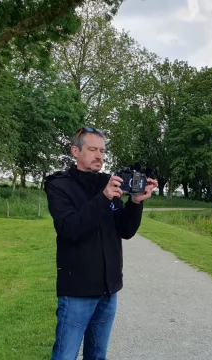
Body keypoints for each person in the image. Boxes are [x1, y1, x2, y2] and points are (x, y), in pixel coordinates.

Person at [44, 126, 158, 360]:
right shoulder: (59, 185)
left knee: (97, 356)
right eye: (93, 149)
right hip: (77, 290)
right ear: (75, 151)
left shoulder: (109, 183)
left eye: (103, 151)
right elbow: (69, 229)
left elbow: (126, 231)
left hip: (109, 289)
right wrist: (104, 198)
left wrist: (136, 202)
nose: (99, 156)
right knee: (65, 355)